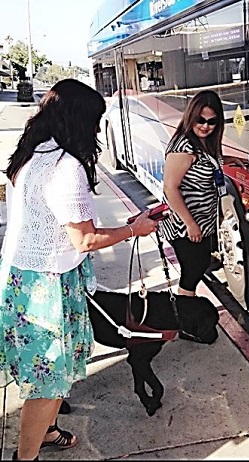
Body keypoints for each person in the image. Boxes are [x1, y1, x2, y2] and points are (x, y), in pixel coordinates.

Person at [0, 79, 158, 461]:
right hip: (46, 287)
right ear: (79, 120)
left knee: (51, 372)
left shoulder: (31, 151)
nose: (98, 130)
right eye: (95, 121)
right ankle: (26, 457)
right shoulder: (65, 166)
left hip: (23, 276)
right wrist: (133, 229)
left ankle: (48, 430)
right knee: (49, 382)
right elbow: (84, 241)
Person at [160, 90, 245, 304]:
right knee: (192, 272)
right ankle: (187, 317)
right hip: (185, 225)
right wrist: (190, 224)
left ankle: (189, 312)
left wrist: (229, 159)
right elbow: (170, 188)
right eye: (200, 120)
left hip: (201, 221)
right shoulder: (184, 146)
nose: (205, 126)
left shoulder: (202, 142)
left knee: (197, 267)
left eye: (212, 121)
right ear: (191, 117)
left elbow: (204, 163)